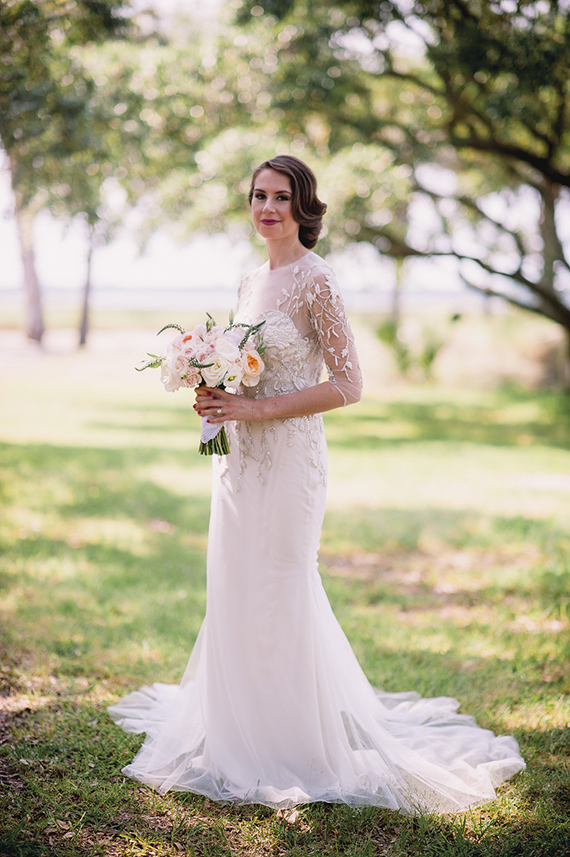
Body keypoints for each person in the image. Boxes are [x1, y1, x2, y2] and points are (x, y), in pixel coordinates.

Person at [109, 155, 525, 813]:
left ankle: (294, 744)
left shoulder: (317, 280)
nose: (267, 208)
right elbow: (249, 368)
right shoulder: (250, 279)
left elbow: (349, 384)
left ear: (304, 207)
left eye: (280, 197)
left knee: (281, 587)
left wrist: (255, 408)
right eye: (257, 196)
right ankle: (235, 731)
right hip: (238, 461)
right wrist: (215, 393)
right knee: (237, 584)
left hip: (292, 462)